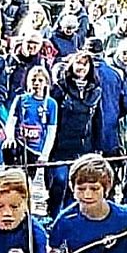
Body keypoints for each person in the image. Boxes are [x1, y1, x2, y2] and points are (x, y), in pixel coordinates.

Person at [46, 52, 104, 216]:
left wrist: (98, 147)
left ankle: (70, 216)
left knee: (76, 184)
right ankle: (54, 214)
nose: (81, 68)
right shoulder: (60, 88)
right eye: (78, 63)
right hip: (60, 145)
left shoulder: (96, 91)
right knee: (59, 181)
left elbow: (98, 121)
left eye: (85, 65)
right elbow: (51, 115)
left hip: (83, 146)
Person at [2, 66, 58, 167]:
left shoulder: (51, 104)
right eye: (33, 80)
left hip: (35, 149)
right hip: (19, 145)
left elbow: (51, 131)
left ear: (46, 82)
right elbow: (11, 121)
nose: (36, 83)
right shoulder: (20, 99)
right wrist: (10, 138)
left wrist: (45, 155)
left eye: (40, 80)